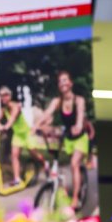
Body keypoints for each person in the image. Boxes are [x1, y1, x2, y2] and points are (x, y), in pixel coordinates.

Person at [33, 70, 90, 211]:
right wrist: (36, 125)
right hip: (68, 140)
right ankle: (63, 189)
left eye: (65, 80)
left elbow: (80, 114)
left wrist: (78, 125)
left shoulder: (79, 100)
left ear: (70, 83)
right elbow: (47, 113)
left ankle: (76, 198)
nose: (62, 83)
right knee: (59, 164)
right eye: (60, 81)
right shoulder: (57, 101)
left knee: (74, 164)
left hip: (81, 138)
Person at [0, 86, 46, 187]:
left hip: (26, 133)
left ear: (10, 96)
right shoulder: (4, 109)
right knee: (14, 156)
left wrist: (5, 127)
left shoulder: (16, 106)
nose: (3, 98)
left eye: (5, 95)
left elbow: (12, 119)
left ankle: (46, 165)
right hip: (18, 135)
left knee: (35, 154)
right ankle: (17, 179)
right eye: (1, 96)